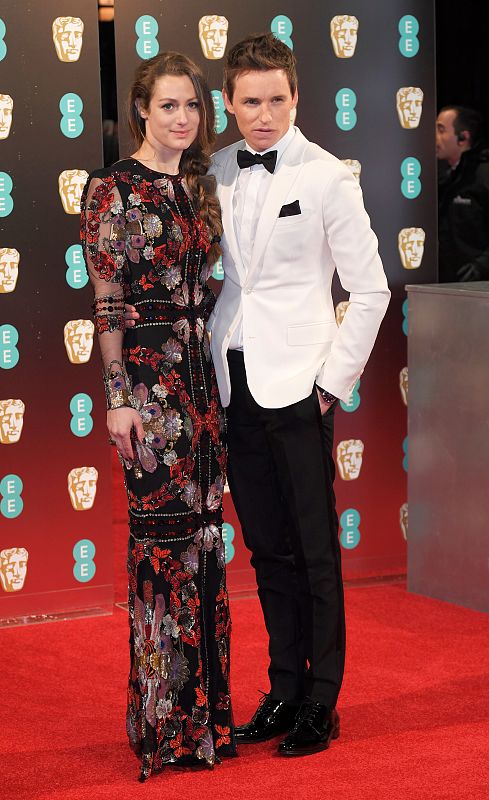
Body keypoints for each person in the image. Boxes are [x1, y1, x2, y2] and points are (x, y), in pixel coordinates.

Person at [125, 33, 389, 758]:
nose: (263, 115)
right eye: (249, 102)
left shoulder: (329, 175)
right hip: (228, 383)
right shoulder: (212, 170)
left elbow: (367, 290)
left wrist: (330, 384)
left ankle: (321, 701)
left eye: (276, 100)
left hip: (300, 388)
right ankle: (282, 687)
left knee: (313, 553)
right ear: (231, 105)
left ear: (295, 97)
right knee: (267, 551)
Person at [80, 52, 236, 782]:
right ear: (141, 108)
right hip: (148, 391)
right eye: (168, 105)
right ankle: (165, 726)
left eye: (192, 108)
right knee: (161, 553)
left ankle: (207, 720)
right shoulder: (111, 187)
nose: (181, 119)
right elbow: (107, 301)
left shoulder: (200, 184)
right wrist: (115, 398)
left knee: (205, 548)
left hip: (204, 390)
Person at [436, 105, 489, 282]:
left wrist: (481, 266)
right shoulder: (445, 178)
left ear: (463, 138)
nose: (434, 136)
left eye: (441, 129)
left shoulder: (483, 175)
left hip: (477, 289)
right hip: (446, 284)